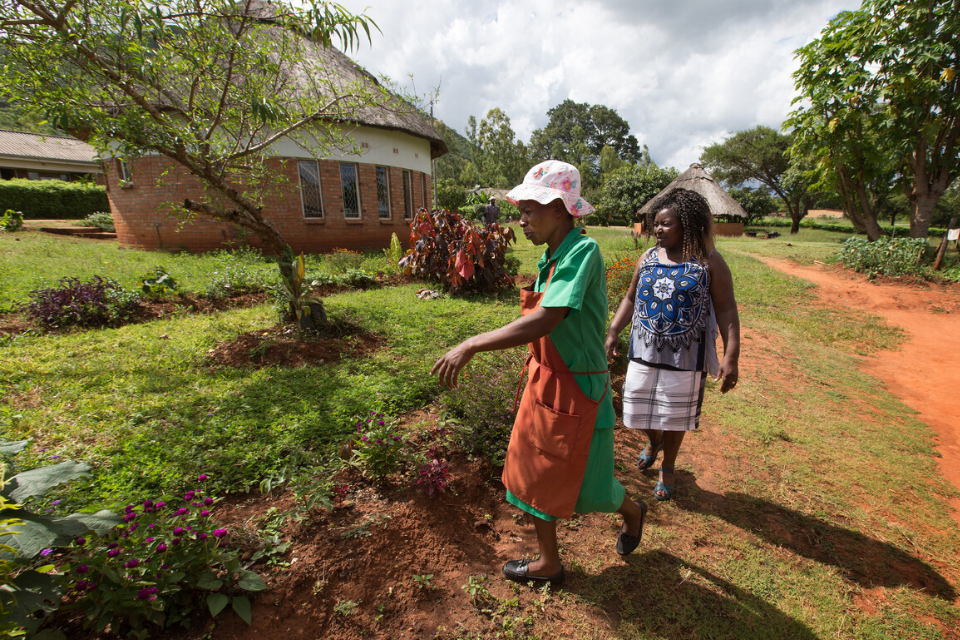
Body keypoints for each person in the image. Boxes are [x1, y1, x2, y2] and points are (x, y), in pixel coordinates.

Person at [432, 161, 647, 586]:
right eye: (521, 210)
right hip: (545, 380)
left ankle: (632, 511)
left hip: (577, 390)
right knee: (532, 471)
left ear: (560, 210)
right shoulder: (552, 256)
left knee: (594, 488)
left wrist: (472, 342)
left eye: (529, 210)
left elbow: (547, 318)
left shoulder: (583, 253)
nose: (521, 220)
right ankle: (549, 563)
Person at [606, 188, 740, 501]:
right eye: (656, 223)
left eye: (666, 224)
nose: (658, 229)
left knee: (674, 417)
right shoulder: (648, 257)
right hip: (643, 351)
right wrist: (613, 329)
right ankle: (654, 441)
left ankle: (668, 465)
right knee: (633, 409)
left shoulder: (709, 262)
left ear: (688, 225)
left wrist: (731, 354)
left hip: (686, 357)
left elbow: (727, 309)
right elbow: (630, 298)